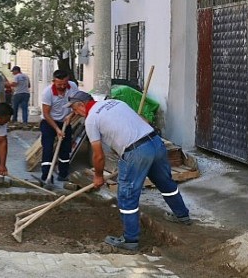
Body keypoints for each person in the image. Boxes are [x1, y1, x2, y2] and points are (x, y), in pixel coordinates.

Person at [66, 90, 191, 251]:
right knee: (165, 182)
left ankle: (130, 240)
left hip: (136, 151)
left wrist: (98, 176)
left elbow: (98, 155)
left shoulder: (91, 120)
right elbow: (142, 120)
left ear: (82, 105)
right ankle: (182, 215)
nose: (75, 113)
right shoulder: (116, 103)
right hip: (155, 142)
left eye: (75, 109)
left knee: (127, 195)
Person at [39, 69, 78, 185]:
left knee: (65, 149)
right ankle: (46, 176)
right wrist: (57, 129)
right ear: (53, 81)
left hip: (66, 121)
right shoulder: (47, 93)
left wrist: (71, 115)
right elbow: (46, 113)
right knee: (48, 148)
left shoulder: (73, 87)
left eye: (64, 84)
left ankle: (63, 174)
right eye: (59, 84)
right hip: (49, 122)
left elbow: (77, 102)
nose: (62, 86)